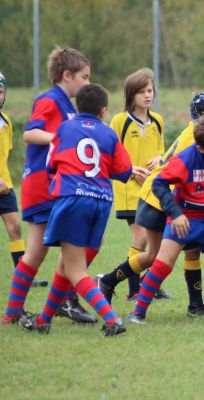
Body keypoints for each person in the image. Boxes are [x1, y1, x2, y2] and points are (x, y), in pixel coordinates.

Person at [97, 92, 204, 318]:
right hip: (160, 199)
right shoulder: (195, 142)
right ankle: (113, 285)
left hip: (199, 206)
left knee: (196, 252)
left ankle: (201, 306)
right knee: (157, 258)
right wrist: (177, 213)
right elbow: (165, 181)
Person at [18, 83, 133, 335]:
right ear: (103, 111)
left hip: (73, 200)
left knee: (74, 269)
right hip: (101, 202)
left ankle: (112, 320)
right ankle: (43, 321)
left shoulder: (65, 128)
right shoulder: (108, 133)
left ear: (76, 107)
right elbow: (123, 170)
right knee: (64, 266)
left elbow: (52, 165)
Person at [3, 47, 97, 325]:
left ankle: (46, 304)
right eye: (84, 76)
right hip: (45, 185)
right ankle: (56, 301)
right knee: (64, 246)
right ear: (66, 75)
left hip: (58, 186)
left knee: (57, 248)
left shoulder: (68, 105)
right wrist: (61, 137)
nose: (88, 83)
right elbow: (31, 133)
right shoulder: (49, 99)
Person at [110, 67, 171, 301]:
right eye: (142, 91)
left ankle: (149, 284)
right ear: (130, 95)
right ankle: (134, 289)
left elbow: (163, 152)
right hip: (128, 189)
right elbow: (111, 151)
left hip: (152, 190)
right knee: (141, 239)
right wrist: (130, 170)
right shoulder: (120, 121)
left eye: (150, 90)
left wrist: (160, 158)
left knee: (158, 241)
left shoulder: (157, 121)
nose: (147, 95)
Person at [0, 72, 28, 274]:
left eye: (0, 91)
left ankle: (22, 275)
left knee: (15, 228)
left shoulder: (6, 122)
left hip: (5, 185)